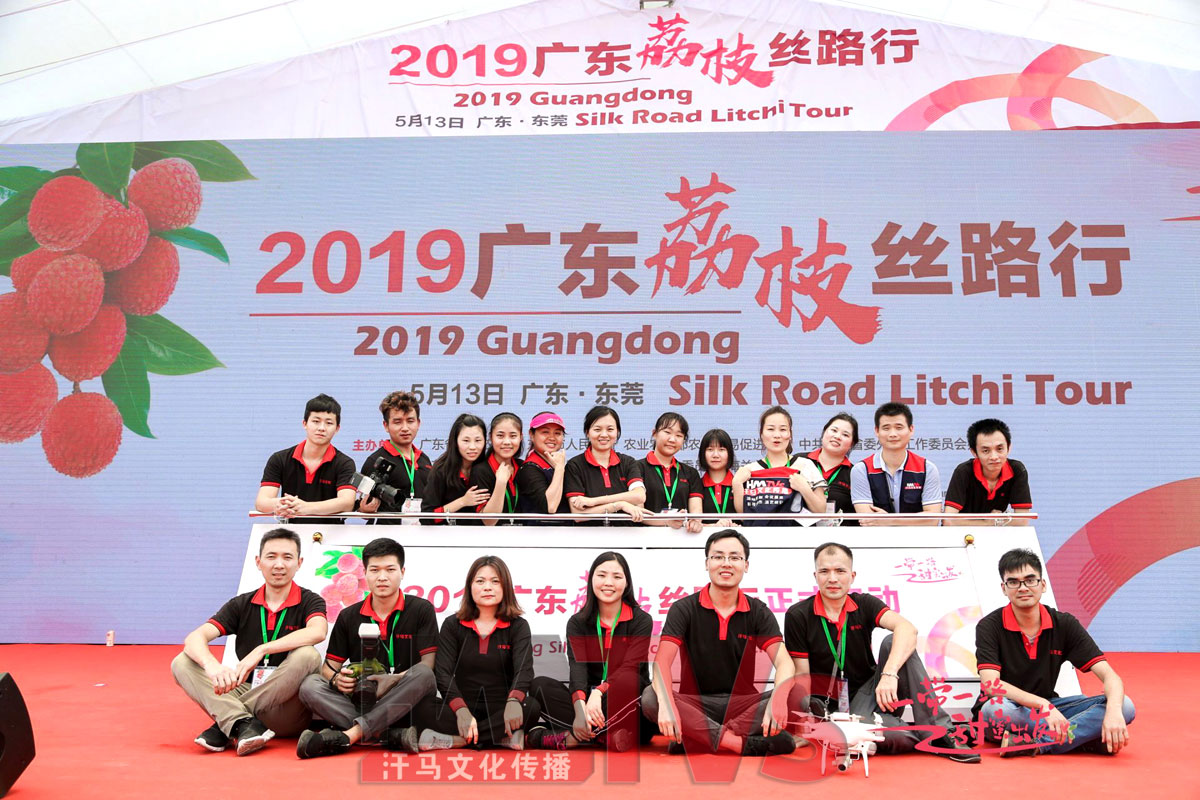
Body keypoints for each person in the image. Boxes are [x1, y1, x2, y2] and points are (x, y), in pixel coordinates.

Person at [784, 542, 979, 762]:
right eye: (824, 571)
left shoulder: (864, 603)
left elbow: (908, 629)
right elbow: (802, 676)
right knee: (880, 734)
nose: (832, 578)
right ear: (815, 576)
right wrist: (801, 724)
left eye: (840, 571)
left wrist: (889, 674)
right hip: (831, 708)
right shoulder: (798, 615)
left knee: (894, 640)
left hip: (873, 693)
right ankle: (927, 736)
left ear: (852, 576)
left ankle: (940, 730)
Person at [171, 528, 326, 755]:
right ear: (258, 562)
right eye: (271, 557)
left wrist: (262, 649)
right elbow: (195, 637)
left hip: (286, 707)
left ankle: (227, 723)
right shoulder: (241, 604)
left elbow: (318, 632)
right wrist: (211, 665)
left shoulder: (310, 600)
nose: (279, 564)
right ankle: (242, 724)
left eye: (287, 557)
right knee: (182, 662)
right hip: (248, 687)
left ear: (299, 563)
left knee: (307, 655)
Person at [642, 529, 797, 756]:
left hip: (744, 705)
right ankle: (737, 743)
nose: (726, 563)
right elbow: (661, 663)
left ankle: (698, 738)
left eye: (734, 557)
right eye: (718, 557)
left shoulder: (757, 611)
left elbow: (785, 663)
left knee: (797, 694)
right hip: (695, 704)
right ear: (707, 563)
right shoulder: (684, 608)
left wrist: (779, 699)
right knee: (651, 697)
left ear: (746, 565)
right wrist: (666, 705)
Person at [974, 548, 1134, 756]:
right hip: (1013, 708)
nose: (1023, 588)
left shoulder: (1064, 624)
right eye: (1014, 582)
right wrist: (1043, 705)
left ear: (1043, 584)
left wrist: (1112, 712)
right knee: (995, 711)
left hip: (1051, 707)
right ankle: (1082, 738)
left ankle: (1036, 744)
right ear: (1004, 588)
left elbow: (1110, 676)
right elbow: (991, 684)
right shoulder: (989, 626)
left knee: (1125, 706)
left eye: (1030, 580)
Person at [295, 537, 439, 758]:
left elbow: (428, 665)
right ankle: (388, 734)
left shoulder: (421, 609)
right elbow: (328, 668)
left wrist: (394, 679)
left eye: (390, 569)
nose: (382, 577)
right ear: (364, 573)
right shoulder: (348, 616)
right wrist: (337, 679)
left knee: (424, 674)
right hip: (363, 701)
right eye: (374, 570)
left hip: (406, 697)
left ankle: (352, 734)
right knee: (310, 685)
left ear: (402, 572)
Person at [527, 551, 654, 750]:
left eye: (617, 577)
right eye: (601, 575)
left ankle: (571, 738)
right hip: (590, 705)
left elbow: (631, 667)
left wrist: (599, 693)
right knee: (539, 685)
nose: (608, 583)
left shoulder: (641, 620)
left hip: (625, 702)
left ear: (627, 583)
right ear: (591, 580)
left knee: (631, 681)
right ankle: (604, 737)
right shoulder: (578, 623)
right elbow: (578, 669)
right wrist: (580, 709)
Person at [418, 556, 539, 750]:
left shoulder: (518, 626)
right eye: (480, 581)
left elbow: (524, 670)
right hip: (462, 708)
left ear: (506, 587)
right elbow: (443, 673)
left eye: (495, 581)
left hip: (502, 708)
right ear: (470, 587)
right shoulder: (452, 625)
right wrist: (461, 711)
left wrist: (514, 700)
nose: (487, 587)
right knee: (423, 707)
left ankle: (456, 740)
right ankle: (499, 737)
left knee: (531, 706)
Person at [256, 394, 356, 523]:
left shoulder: (344, 463)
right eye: (316, 421)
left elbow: (347, 502)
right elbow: (262, 502)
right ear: (305, 423)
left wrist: (305, 507)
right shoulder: (279, 459)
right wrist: (283, 504)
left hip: (332, 531)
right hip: (289, 531)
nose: (321, 428)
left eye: (329, 423)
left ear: (337, 428)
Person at [850, 402, 942, 525]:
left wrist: (889, 520)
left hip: (919, 537)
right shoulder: (861, 470)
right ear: (877, 431)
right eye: (886, 428)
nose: (893, 434)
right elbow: (868, 521)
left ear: (911, 429)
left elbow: (932, 519)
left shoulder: (927, 468)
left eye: (899, 427)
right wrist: (912, 521)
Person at [732, 406, 826, 525]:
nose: (777, 435)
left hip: (799, 536)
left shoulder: (805, 465)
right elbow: (743, 516)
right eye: (770, 429)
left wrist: (804, 488)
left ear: (790, 434)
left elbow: (821, 511)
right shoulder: (749, 470)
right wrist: (737, 483)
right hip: (759, 535)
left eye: (783, 429)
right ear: (761, 434)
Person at [358, 391, 433, 524]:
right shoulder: (375, 461)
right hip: (386, 534)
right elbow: (361, 506)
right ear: (386, 425)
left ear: (418, 423)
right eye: (397, 422)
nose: (405, 428)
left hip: (422, 532)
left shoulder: (424, 459)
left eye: (410, 421)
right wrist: (364, 509)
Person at [564, 405, 646, 524]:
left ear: (617, 432)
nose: (604, 434)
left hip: (627, 534)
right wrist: (619, 505)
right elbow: (578, 515)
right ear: (587, 432)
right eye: (597, 429)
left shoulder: (628, 462)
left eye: (610, 429)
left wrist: (594, 501)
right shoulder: (575, 465)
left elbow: (639, 496)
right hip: (588, 534)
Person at [944, 419, 1034, 526]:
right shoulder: (963, 472)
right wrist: (987, 523)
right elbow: (948, 521)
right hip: (961, 533)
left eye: (999, 449)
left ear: (1009, 448)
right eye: (986, 451)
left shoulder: (1017, 470)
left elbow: (1022, 521)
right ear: (974, 452)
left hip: (997, 534)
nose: (994, 457)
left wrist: (994, 524)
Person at [640, 412, 703, 532]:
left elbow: (696, 512)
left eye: (679, 435)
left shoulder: (690, 473)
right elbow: (638, 511)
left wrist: (695, 522)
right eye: (667, 432)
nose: (672, 439)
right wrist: (667, 521)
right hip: (644, 537)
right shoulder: (637, 468)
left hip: (682, 538)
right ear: (654, 433)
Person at [423, 413, 489, 525]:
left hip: (482, 533)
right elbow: (426, 517)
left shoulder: (487, 468)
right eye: (466, 441)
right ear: (455, 441)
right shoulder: (441, 471)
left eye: (478, 440)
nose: (472, 447)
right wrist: (463, 501)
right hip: (447, 533)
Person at [515, 411, 570, 524]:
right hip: (538, 533)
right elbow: (550, 506)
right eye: (545, 432)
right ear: (531, 435)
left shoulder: (555, 464)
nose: (552, 438)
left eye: (557, 433)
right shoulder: (529, 468)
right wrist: (560, 468)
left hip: (565, 532)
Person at [471, 412, 524, 526]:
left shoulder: (523, 467)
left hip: (523, 534)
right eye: (500, 436)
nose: (507, 442)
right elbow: (489, 521)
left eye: (513, 436)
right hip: (490, 536)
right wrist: (500, 483)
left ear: (521, 437)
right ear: (491, 437)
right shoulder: (480, 471)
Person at [806, 413, 859, 526]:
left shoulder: (855, 473)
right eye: (834, 430)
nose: (837, 436)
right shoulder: (800, 461)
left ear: (852, 443)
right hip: (798, 533)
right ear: (824, 432)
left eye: (845, 434)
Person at [697, 428, 738, 527]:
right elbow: (691, 523)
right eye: (710, 449)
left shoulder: (739, 485)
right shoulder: (696, 486)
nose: (715, 455)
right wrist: (713, 526)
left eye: (721, 450)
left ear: (730, 453)